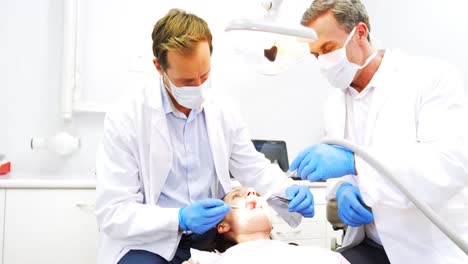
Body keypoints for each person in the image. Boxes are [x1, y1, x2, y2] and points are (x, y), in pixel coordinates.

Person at [95, 8, 315, 264]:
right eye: (187, 81)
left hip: (210, 236)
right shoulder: (127, 118)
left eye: (204, 76)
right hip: (149, 241)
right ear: (159, 67)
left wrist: (289, 193)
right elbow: (114, 211)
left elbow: (253, 168)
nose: (199, 87)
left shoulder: (223, 109)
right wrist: (179, 218)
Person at [288, 0, 468, 263]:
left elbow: (449, 165)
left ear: (360, 33)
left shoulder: (431, 77)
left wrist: (354, 162)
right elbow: (344, 178)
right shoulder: (334, 104)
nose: (323, 63)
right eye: (316, 55)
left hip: (428, 249)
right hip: (369, 244)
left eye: (328, 49)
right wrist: (343, 190)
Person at [184, 187, 349, 264]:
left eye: (257, 194)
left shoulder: (321, 256)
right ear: (222, 226)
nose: (251, 192)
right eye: (237, 196)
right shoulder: (209, 260)